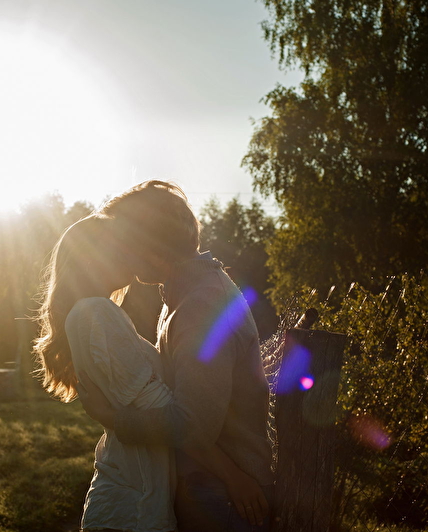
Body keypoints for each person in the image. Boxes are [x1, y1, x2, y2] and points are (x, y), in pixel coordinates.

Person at [33, 215, 268, 532]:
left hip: (132, 492)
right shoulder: (98, 313)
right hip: (131, 502)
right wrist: (232, 475)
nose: (129, 253)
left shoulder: (97, 313)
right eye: (117, 247)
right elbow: (168, 413)